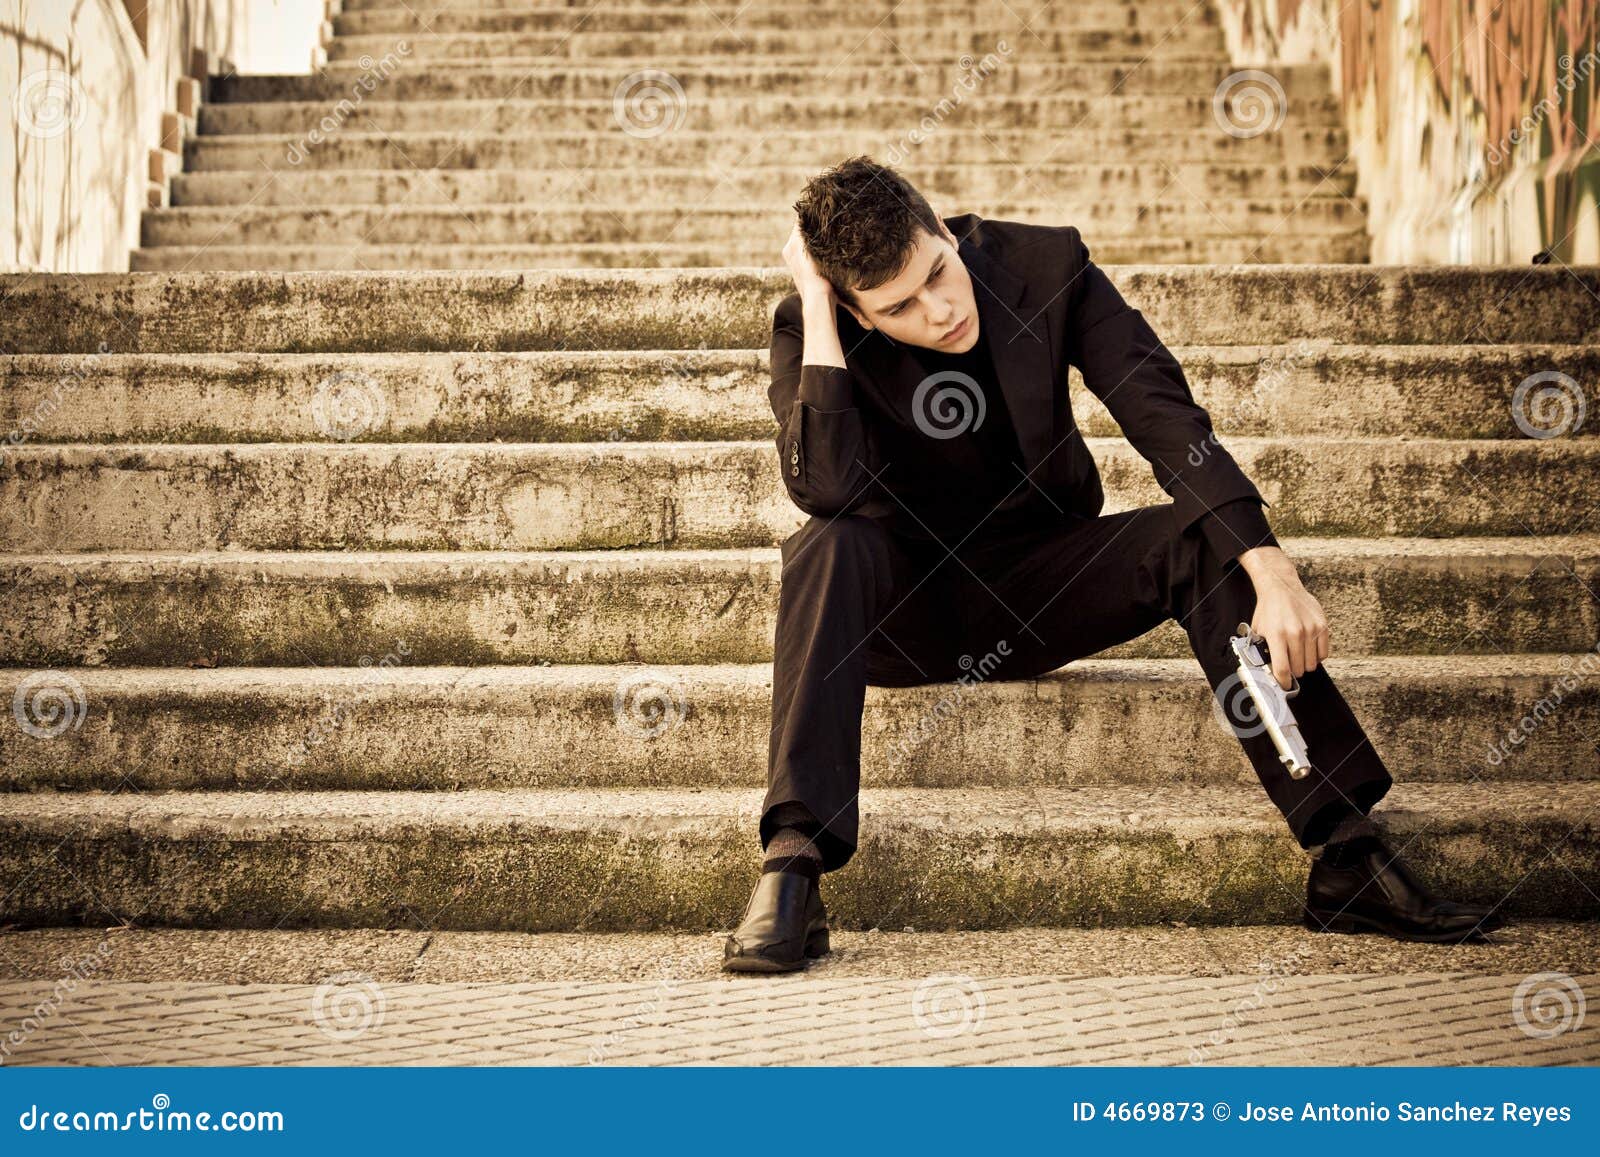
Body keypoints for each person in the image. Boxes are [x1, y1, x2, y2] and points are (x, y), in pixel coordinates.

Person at [722, 156, 1506, 974]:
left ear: (944, 230)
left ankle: (1345, 851)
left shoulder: (1045, 265)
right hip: (902, 616)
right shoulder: (812, 330)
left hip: (1041, 584)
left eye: (939, 273)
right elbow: (827, 487)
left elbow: (1162, 412)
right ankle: (793, 860)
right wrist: (818, 302)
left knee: (1202, 537)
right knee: (828, 543)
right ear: (855, 307)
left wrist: (1271, 571)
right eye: (899, 308)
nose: (941, 309)